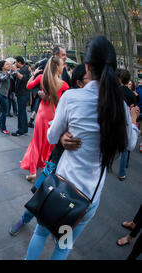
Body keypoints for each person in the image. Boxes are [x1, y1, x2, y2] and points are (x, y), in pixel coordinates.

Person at [24, 36, 140, 260]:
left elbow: (51, 136)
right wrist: (134, 122)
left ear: (86, 67)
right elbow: (129, 143)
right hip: (84, 201)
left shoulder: (71, 98)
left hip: (59, 189)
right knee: (63, 246)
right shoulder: (120, 106)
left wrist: (62, 136)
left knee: (40, 232)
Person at [9, 64, 89, 237]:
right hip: (56, 160)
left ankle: (53, 230)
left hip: (78, 173)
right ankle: (25, 219)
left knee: (63, 218)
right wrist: (61, 137)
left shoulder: (99, 105)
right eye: (89, 80)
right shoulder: (69, 99)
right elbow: (53, 134)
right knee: (40, 192)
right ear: (80, 83)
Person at [20, 56, 69, 182]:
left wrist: (34, 74)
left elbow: (28, 85)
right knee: (49, 144)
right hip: (54, 116)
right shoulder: (63, 84)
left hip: (42, 114)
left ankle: (32, 173)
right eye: (62, 65)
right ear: (58, 68)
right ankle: (44, 170)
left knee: (36, 143)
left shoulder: (41, 78)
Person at [116, 68, 137, 181]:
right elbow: (133, 110)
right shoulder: (131, 95)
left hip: (115, 121)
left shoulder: (115, 91)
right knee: (125, 148)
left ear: (119, 78)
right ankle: (122, 172)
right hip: (126, 123)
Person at [12, 56, 31, 136]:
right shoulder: (23, 69)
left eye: (16, 62)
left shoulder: (25, 69)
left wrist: (15, 71)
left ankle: (21, 130)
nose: (15, 64)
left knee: (21, 112)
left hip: (23, 94)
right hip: (21, 93)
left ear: (20, 62)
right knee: (22, 112)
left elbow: (23, 78)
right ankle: (24, 129)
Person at [0, 60, 12, 135]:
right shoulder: (0, 73)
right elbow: (2, 79)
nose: (8, 65)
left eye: (8, 64)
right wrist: (8, 74)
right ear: (3, 67)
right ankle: (3, 128)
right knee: (4, 112)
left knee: (4, 112)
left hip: (5, 94)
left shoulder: (7, 73)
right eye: (6, 64)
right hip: (1, 95)